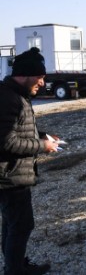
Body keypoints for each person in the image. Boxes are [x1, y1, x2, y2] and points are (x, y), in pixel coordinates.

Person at [0, 48, 57, 275]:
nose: (42, 83)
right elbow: (6, 142)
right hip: (10, 176)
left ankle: (14, 266)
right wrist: (43, 147)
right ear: (24, 75)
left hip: (11, 174)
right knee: (22, 225)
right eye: (40, 77)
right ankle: (14, 271)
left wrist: (42, 135)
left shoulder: (15, 95)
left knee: (12, 224)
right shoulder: (10, 99)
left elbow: (16, 129)